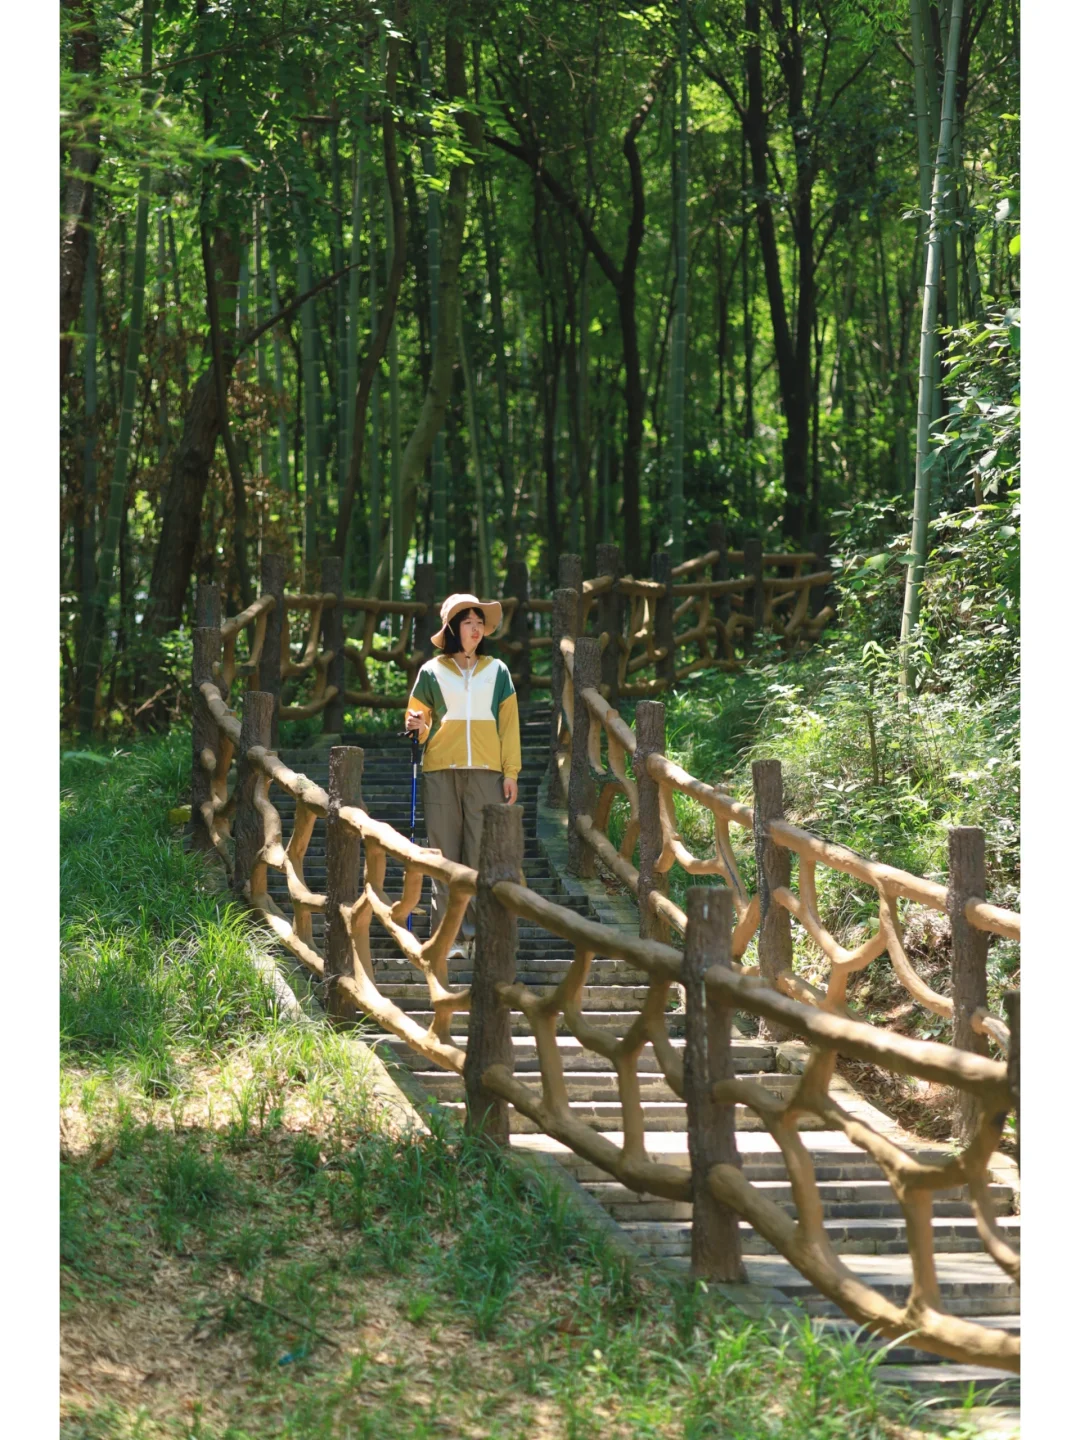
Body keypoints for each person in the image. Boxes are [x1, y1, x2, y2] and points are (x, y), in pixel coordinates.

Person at [404, 593, 521, 957]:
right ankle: (448, 939)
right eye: (468, 622)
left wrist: (511, 772)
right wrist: (417, 725)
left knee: (479, 856)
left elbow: (509, 727)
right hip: (440, 772)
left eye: (479, 622)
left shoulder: (498, 671)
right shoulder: (431, 672)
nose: (476, 628)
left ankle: (474, 936)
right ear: (453, 628)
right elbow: (418, 723)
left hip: (487, 774)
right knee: (443, 858)